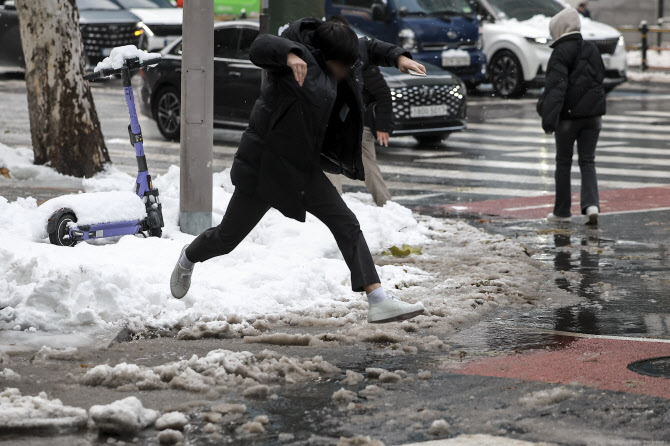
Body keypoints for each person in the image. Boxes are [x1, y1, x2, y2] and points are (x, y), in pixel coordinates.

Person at [171, 18, 428, 324]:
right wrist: (289, 54)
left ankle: (378, 300)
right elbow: (260, 46)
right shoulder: (292, 64)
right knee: (226, 239)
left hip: (303, 168)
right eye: (342, 66)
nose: (347, 71)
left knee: (346, 222)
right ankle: (188, 257)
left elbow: (368, 48)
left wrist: (398, 57)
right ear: (326, 56)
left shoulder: (342, 53)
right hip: (265, 166)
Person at [537, 7, 606, 225]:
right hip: (593, 117)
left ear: (559, 29)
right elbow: (599, 78)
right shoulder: (591, 49)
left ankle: (562, 211)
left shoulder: (560, 53)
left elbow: (555, 89)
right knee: (588, 161)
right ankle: (591, 205)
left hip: (568, 118)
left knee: (563, 163)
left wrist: (549, 120)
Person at [325, 17, 393, 207]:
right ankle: (336, 202)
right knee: (330, 161)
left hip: (357, 123)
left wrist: (383, 126)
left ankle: (384, 203)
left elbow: (383, 94)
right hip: (338, 122)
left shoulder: (358, 59)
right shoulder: (328, 56)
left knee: (362, 163)